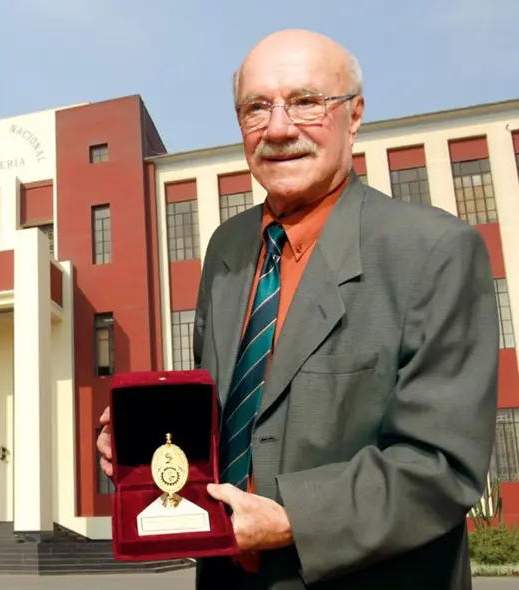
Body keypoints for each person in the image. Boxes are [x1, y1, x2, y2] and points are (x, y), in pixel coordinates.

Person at [96, 29, 499, 589]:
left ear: (354, 115)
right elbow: (224, 415)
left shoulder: (433, 251)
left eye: (306, 101)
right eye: (256, 108)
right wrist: (149, 445)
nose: (279, 128)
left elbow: (440, 464)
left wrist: (292, 519)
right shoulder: (228, 250)